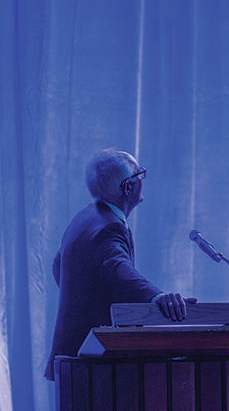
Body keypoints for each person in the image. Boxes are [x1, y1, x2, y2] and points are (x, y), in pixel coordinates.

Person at [44, 149, 187, 381]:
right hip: (96, 363)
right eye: (140, 174)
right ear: (128, 187)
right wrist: (156, 296)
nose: (143, 179)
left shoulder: (84, 217)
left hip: (74, 358)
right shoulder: (111, 227)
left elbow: (58, 264)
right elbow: (118, 269)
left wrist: (85, 300)